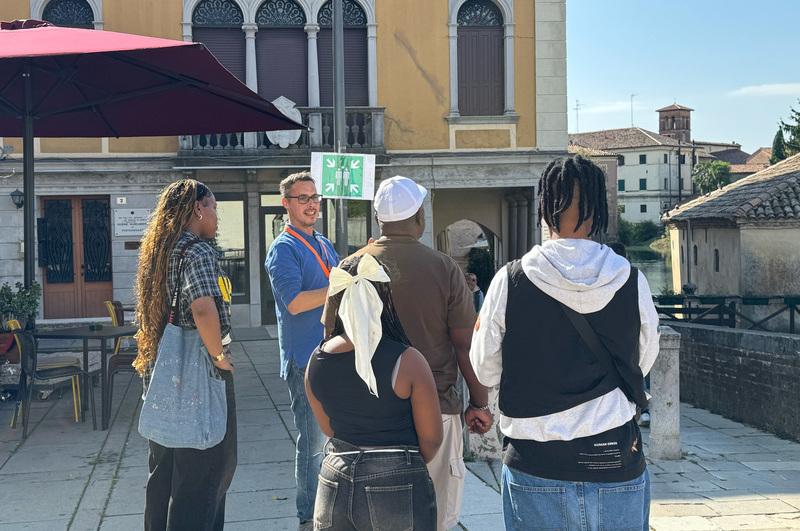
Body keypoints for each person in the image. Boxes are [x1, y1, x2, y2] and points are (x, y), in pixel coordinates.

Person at [470, 155, 660, 531]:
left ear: (544, 208)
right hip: (614, 458)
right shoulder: (630, 279)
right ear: (599, 210)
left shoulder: (511, 280)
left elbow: (484, 367)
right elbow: (644, 357)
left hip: (535, 462)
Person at [324, 176, 492, 531]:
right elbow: (465, 345)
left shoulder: (349, 267)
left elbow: (330, 344)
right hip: (436, 411)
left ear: (378, 220)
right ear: (420, 217)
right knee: (434, 517)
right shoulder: (444, 267)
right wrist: (479, 402)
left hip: (364, 418)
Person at [306, 253, 443, 530]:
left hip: (335, 478)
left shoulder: (316, 360)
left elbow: (329, 429)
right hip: (396, 481)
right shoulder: (409, 361)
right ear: (384, 299)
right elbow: (431, 439)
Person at [134, 179, 237, 531]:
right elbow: (203, 308)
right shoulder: (198, 251)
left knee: (163, 472)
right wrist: (219, 357)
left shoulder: (160, 251)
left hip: (163, 373)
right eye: (214, 208)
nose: (217, 217)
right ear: (198, 209)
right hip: (199, 376)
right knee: (206, 471)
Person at [265, 171, 339, 530]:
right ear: (286, 204)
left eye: (315, 197)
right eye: (303, 198)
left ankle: (330, 510)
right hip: (304, 362)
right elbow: (293, 303)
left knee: (332, 443)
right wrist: (338, 286)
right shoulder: (284, 249)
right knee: (312, 446)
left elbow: (338, 276)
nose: (311, 204)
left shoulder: (322, 242)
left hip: (332, 355)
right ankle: (308, 518)